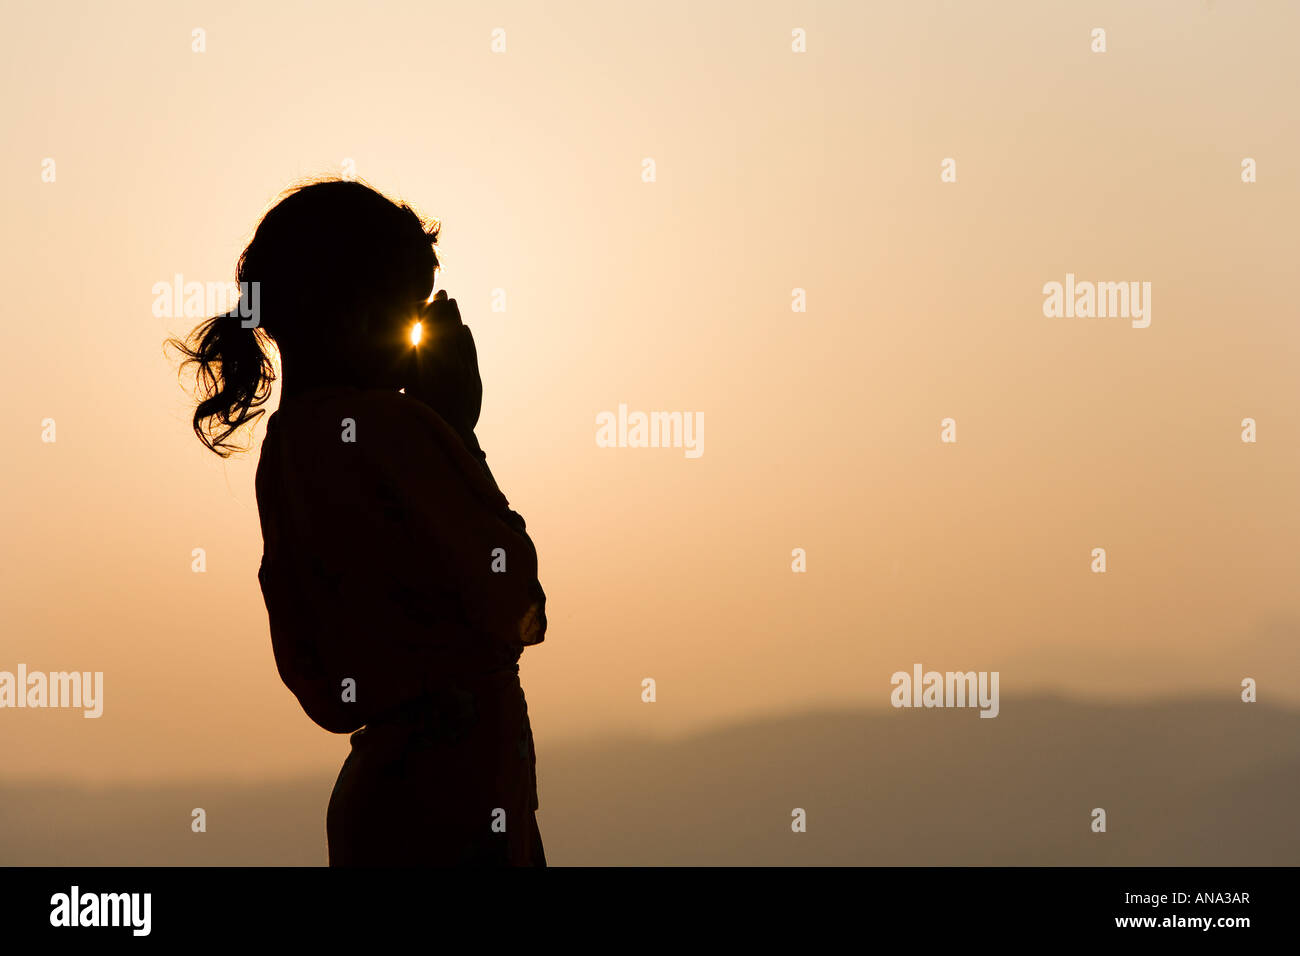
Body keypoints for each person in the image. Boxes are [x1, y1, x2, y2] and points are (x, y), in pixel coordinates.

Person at [170, 178, 547, 865]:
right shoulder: (391, 431)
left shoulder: (289, 449)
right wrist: (458, 431)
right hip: (454, 805)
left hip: (387, 800)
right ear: (357, 315)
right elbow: (516, 601)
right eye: (412, 309)